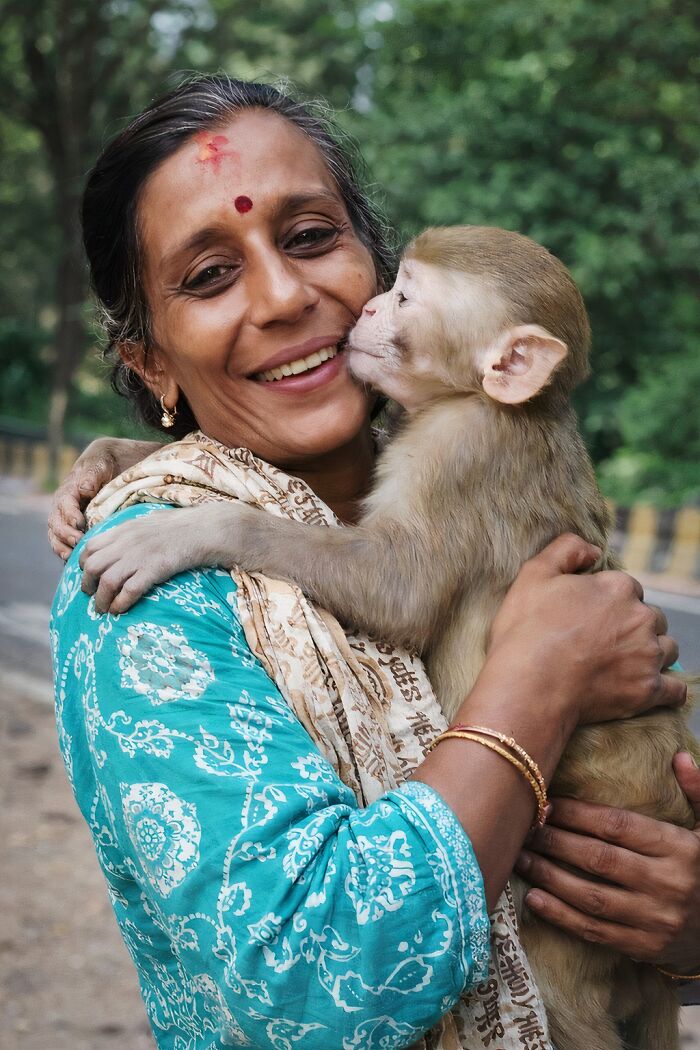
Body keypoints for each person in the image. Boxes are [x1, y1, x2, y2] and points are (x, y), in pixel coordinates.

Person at [48, 75, 700, 1049]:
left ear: (374, 261)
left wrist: (683, 931)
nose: (284, 295)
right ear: (151, 366)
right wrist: (538, 680)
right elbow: (319, 989)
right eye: (210, 276)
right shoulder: (151, 582)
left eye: (311, 238)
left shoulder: (449, 453)